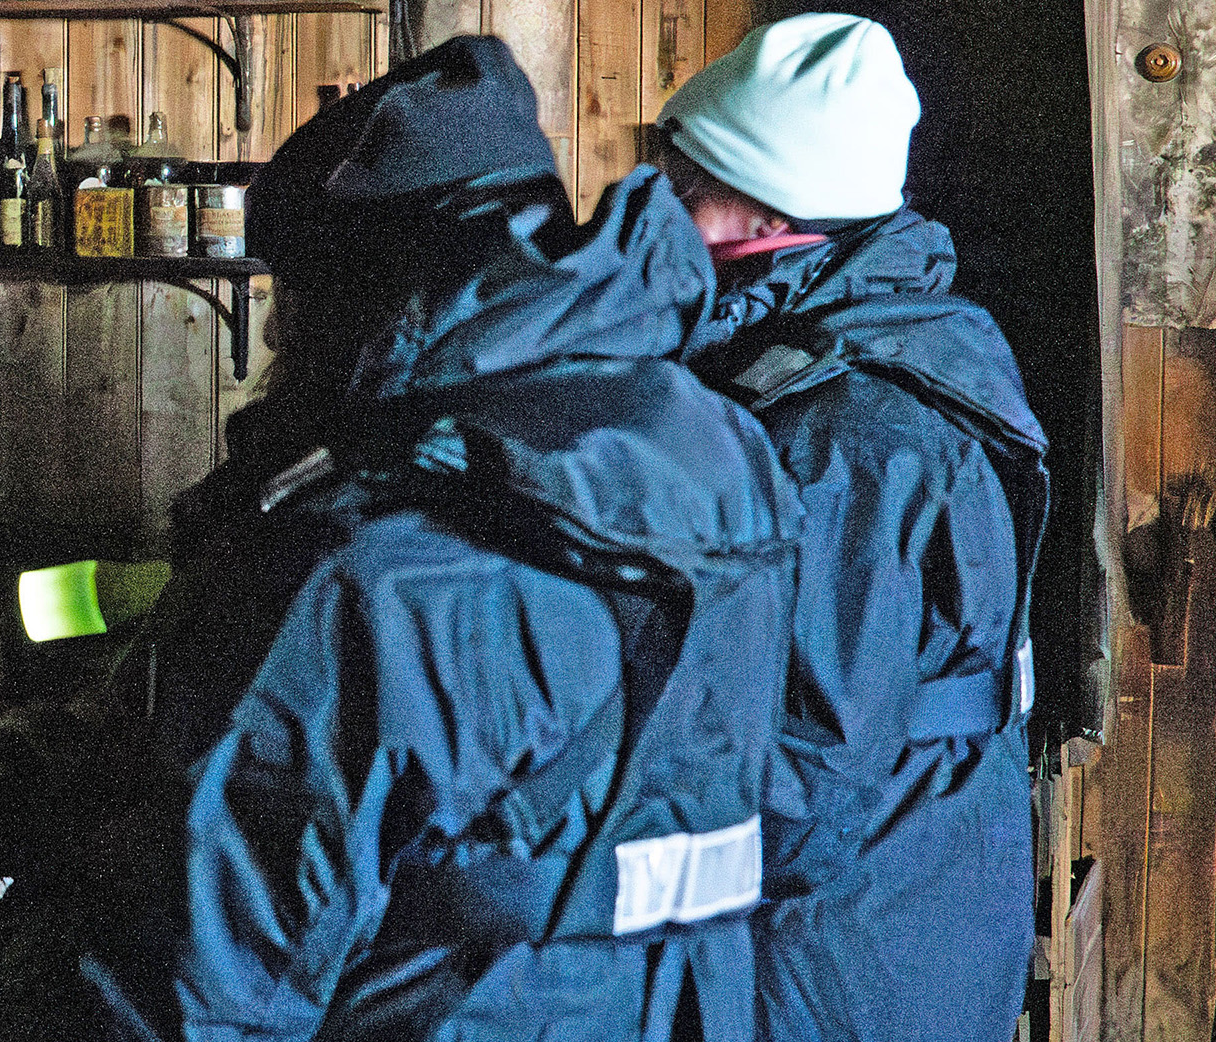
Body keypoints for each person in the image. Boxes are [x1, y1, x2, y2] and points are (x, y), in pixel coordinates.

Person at [77, 35, 801, 1042]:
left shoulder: (373, 569)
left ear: (369, 294)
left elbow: (199, 986)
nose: (281, 338)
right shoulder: (719, 454)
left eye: (299, 298)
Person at [652, 14, 1050, 1042]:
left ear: (768, 209)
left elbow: (800, 778)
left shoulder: (843, 437)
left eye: (684, 184)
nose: (658, 209)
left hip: (847, 943)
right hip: (929, 884)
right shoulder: (923, 330)